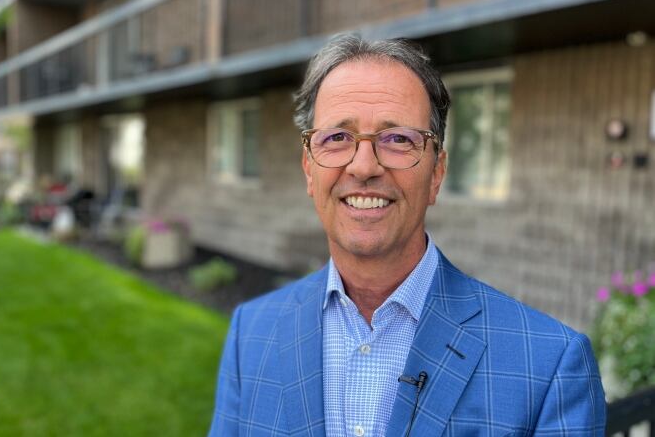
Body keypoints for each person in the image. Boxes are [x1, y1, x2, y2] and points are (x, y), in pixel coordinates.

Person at [209, 34, 605, 437]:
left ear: (436, 173)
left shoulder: (549, 365)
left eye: (398, 139)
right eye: (337, 138)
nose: (364, 166)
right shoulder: (251, 333)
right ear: (310, 170)